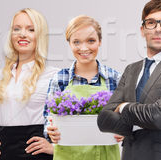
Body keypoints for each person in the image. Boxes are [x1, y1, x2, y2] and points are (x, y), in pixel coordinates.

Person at [97, 0, 161, 160]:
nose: (158, 29)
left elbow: (159, 116)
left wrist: (124, 107)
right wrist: (141, 121)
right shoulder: (131, 70)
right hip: (130, 155)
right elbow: (104, 118)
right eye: (151, 23)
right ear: (142, 30)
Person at [0, 8, 60, 159]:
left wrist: (56, 148)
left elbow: (69, 117)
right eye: (16, 29)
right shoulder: (1, 75)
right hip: (6, 152)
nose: (22, 34)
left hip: (38, 154)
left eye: (31, 29)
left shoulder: (54, 75)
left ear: (40, 36)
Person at [45, 15, 123, 160]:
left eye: (91, 41)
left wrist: (124, 129)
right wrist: (50, 131)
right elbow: (48, 118)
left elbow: (127, 118)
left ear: (100, 41)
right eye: (76, 42)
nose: (84, 48)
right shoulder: (60, 79)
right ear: (69, 44)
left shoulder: (114, 78)